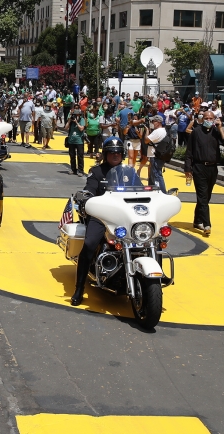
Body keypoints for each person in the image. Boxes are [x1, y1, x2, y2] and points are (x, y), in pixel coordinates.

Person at [71, 137, 142, 306]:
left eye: (118, 152)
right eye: (111, 152)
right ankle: (79, 288)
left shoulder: (130, 173)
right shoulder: (97, 172)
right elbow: (89, 190)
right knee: (89, 244)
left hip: (126, 217)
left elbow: (140, 190)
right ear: (106, 154)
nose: (115, 155)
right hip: (102, 216)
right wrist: (86, 196)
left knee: (149, 240)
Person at [183, 110, 224, 236]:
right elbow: (189, 152)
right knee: (203, 196)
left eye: (211, 118)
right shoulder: (196, 132)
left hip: (212, 168)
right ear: (202, 118)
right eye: (206, 118)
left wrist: (220, 128)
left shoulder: (216, 132)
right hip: (199, 167)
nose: (209, 120)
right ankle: (207, 224)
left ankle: (197, 220)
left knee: (206, 196)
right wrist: (187, 169)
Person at [144, 115, 168, 193]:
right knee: (155, 175)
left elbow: (146, 140)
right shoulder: (163, 130)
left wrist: (147, 130)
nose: (152, 123)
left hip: (155, 156)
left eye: (153, 121)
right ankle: (154, 190)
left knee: (157, 175)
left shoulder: (158, 131)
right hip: (158, 155)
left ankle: (162, 192)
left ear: (158, 122)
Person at [65, 106, 86, 175]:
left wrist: (76, 122)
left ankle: (80, 170)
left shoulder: (82, 120)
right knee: (72, 156)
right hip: (71, 140)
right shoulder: (71, 120)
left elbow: (81, 129)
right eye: (74, 115)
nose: (75, 116)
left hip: (79, 141)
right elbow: (66, 128)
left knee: (80, 156)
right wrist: (69, 121)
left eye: (77, 115)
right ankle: (73, 169)